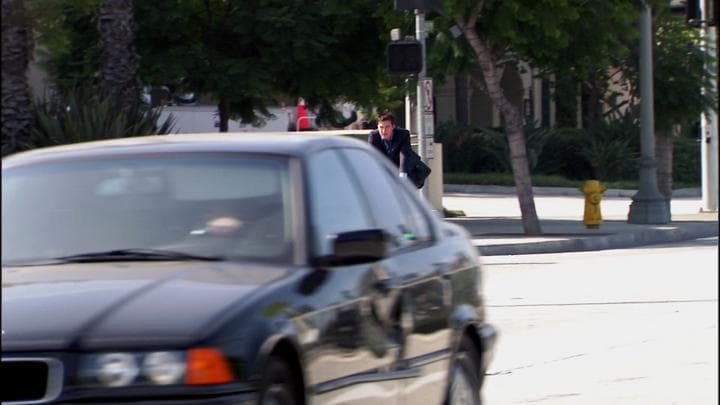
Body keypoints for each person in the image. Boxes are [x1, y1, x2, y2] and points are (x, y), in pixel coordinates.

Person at [368, 111, 430, 188]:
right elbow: (374, 156)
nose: (384, 131)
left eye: (387, 127)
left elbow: (404, 153)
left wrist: (402, 175)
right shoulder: (373, 136)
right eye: (381, 127)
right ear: (377, 126)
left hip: (404, 168)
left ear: (393, 126)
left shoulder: (403, 134)